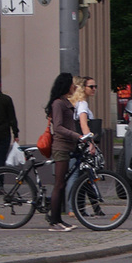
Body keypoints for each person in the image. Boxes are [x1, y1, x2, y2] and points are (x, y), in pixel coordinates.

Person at [45, 73, 80, 232]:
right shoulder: (58, 103)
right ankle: (54, 221)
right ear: (65, 85)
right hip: (60, 147)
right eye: (72, 84)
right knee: (59, 184)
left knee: (63, 183)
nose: (75, 87)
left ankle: (59, 219)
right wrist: (76, 136)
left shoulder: (66, 102)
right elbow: (58, 127)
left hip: (68, 146)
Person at [65, 76, 100, 217]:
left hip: (72, 142)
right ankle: (72, 208)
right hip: (80, 144)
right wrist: (90, 142)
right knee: (76, 175)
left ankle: (76, 207)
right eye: (91, 86)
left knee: (75, 175)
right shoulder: (82, 104)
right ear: (83, 88)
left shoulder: (74, 103)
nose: (94, 89)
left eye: (95, 86)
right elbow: (84, 125)